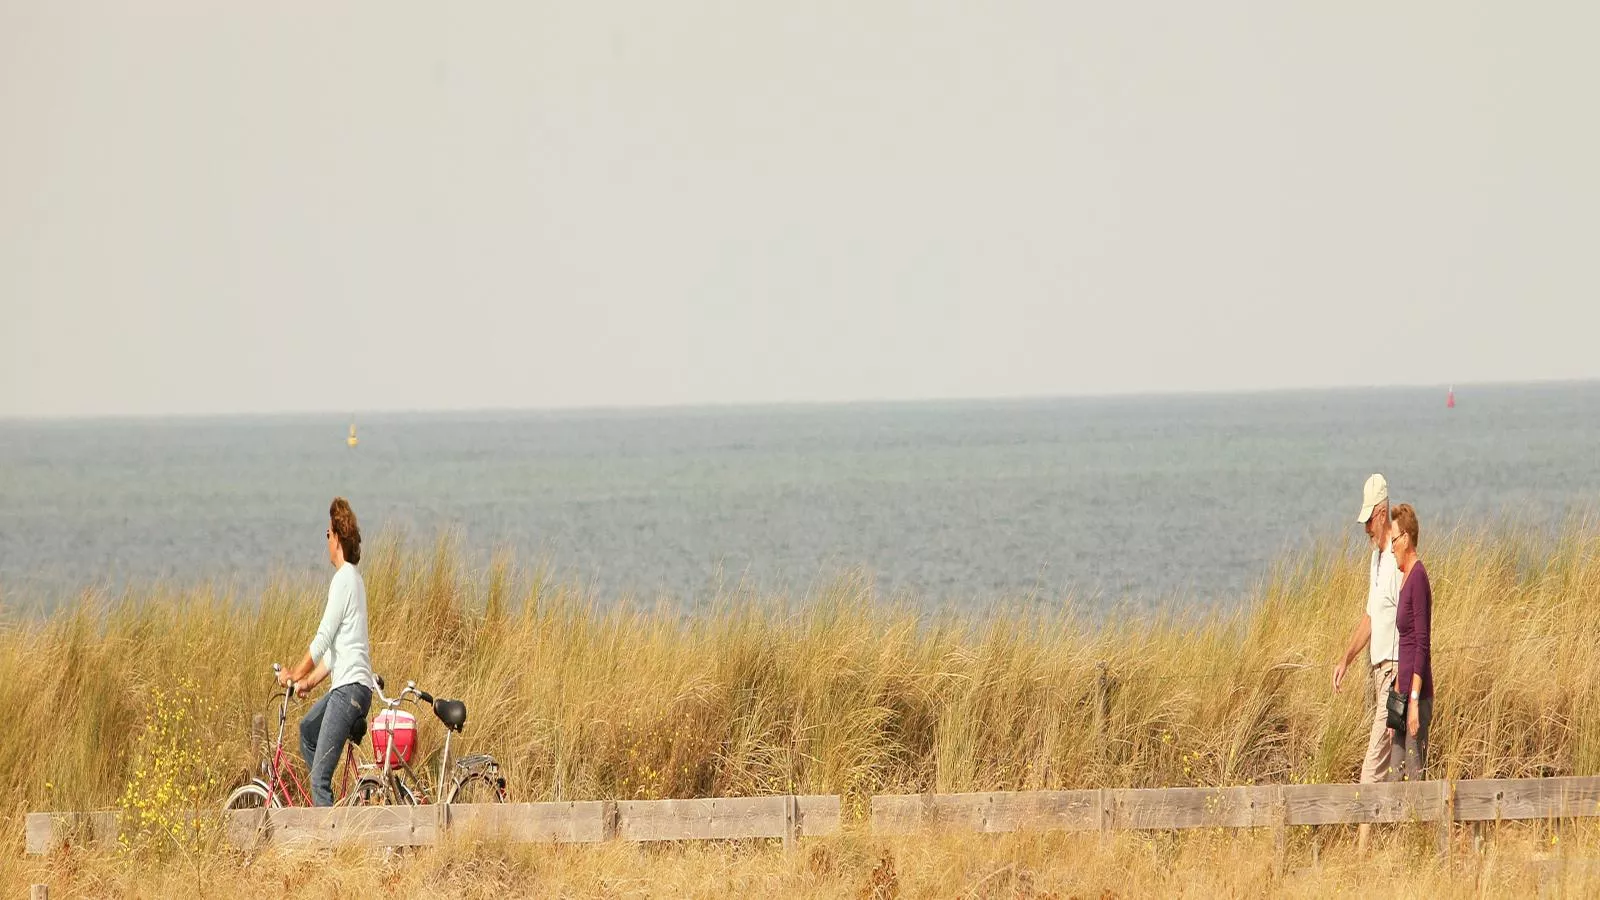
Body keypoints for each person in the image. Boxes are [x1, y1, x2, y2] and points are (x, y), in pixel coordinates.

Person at [276, 497, 375, 807]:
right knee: (307, 730)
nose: (326, 540)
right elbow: (335, 652)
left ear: (336, 537)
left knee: (319, 777)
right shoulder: (354, 580)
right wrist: (308, 683)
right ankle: (331, 811)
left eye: (327, 534)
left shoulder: (343, 579)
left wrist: (294, 672)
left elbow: (322, 640)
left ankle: (331, 846)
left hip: (349, 692)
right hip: (351, 687)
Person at [1332, 474, 1402, 849]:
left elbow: (1407, 621)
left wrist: (1402, 683)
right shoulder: (1376, 558)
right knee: (1398, 760)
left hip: (1394, 670)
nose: (1365, 530)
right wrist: (1346, 656)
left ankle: (1361, 852)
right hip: (1377, 671)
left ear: (1381, 513)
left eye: (1368, 522)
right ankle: (1400, 839)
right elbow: (1371, 616)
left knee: (1374, 764)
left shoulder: (1396, 555)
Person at [1388, 503, 1432, 780]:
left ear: (1405, 538)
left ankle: (1421, 826)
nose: (1391, 547)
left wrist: (1414, 701)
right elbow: (1404, 643)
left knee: (1415, 782)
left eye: (1393, 541)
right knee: (1395, 777)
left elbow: (1421, 644)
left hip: (1416, 697)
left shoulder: (1418, 577)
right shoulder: (1404, 577)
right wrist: (1396, 695)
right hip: (1402, 696)